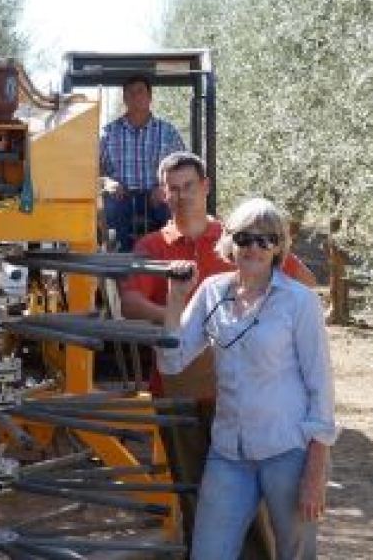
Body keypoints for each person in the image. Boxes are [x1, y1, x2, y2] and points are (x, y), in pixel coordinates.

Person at [118, 151, 317, 558]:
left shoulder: (241, 235)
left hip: (256, 404)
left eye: (189, 186)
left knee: (265, 508)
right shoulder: (152, 246)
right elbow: (130, 304)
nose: (181, 196)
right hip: (180, 392)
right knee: (200, 494)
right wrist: (192, 320)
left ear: (205, 187)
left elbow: (303, 282)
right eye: (172, 189)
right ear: (162, 193)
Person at [158, 197, 337, 559]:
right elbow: (172, 362)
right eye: (244, 238)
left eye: (265, 239)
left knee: (296, 553)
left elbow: (321, 387)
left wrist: (316, 472)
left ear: (279, 247)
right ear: (229, 242)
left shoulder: (299, 302)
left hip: (288, 449)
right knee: (208, 552)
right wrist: (175, 299)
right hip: (229, 451)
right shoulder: (211, 291)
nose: (254, 247)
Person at [99, 74, 186, 252]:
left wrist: (165, 187)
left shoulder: (168, 132)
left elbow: (183, 166)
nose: (135, 96)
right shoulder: (107, 133)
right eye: (130, 93)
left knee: (173, 205)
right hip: (121, 196)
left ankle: (172, 254)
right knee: (109, 210)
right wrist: (107, 183)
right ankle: (120, 263)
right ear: (124, 99)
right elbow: (93, 170)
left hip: (156, 195)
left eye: (140, 91)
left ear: (150, 97)